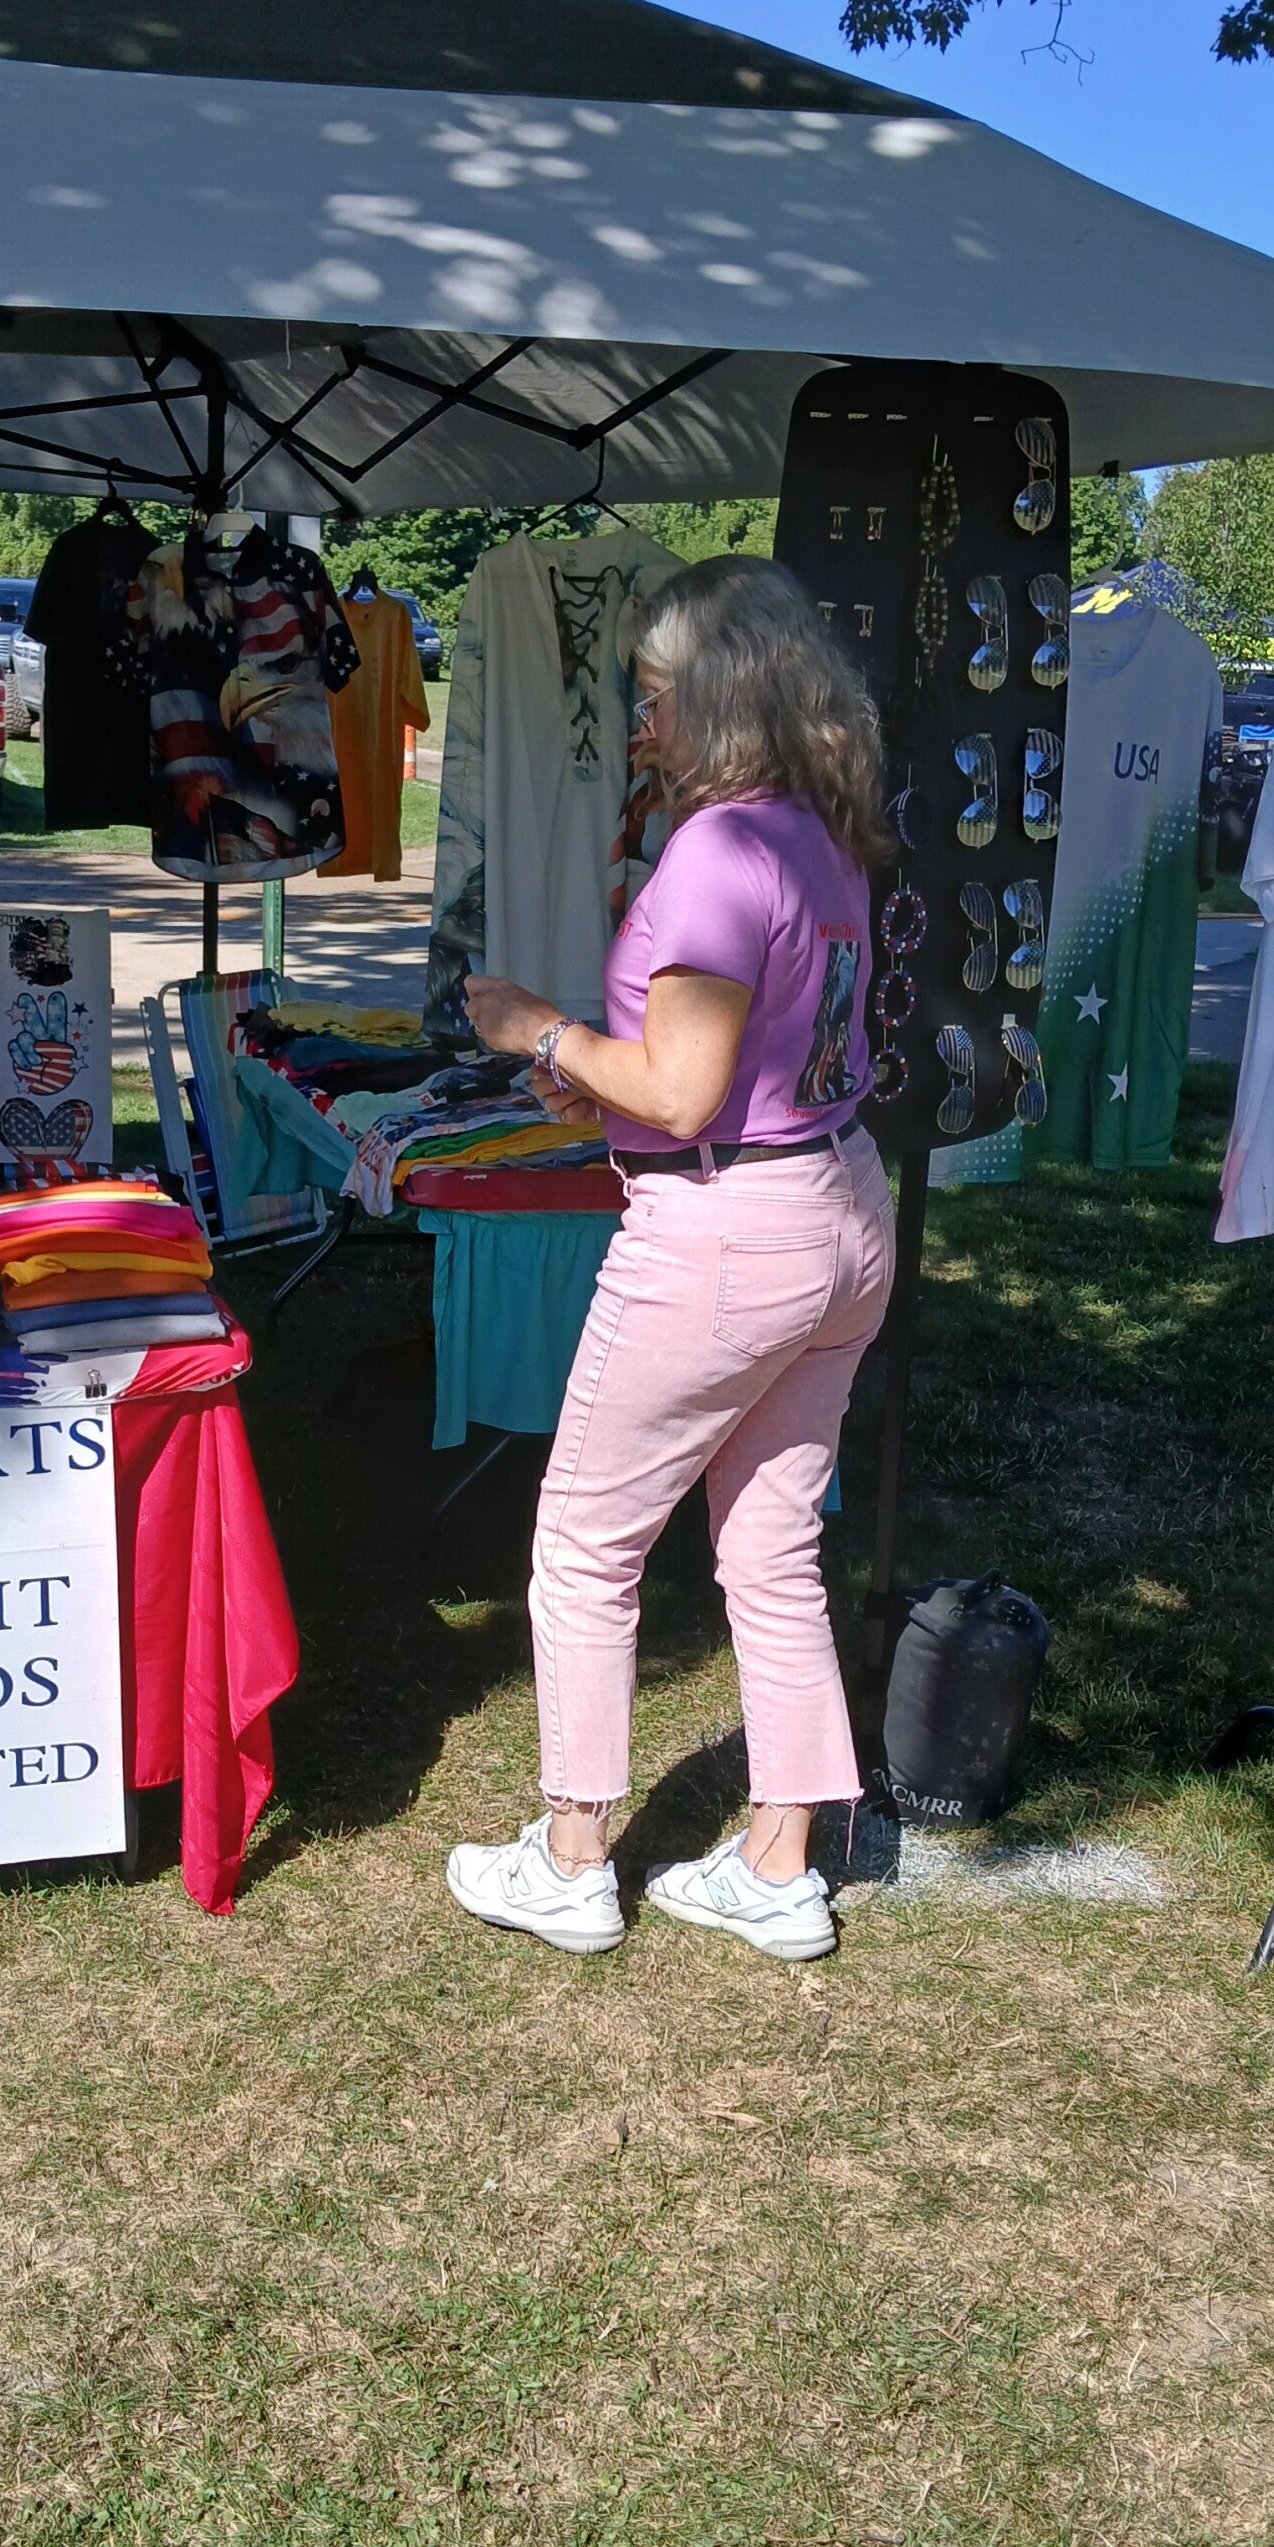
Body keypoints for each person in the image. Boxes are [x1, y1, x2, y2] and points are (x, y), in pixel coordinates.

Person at [445, 555, 896, 1963]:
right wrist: (606, 1081)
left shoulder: (719, 851)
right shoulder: (822, 832)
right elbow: (742, 1066)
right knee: (770, 1547)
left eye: (652, 697)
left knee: (585, 1540)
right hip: (836, 1205)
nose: (640, 725)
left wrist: (540, 1030)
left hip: (729, 1230)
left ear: (721, 695)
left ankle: (573, 1857)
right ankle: (779, 1864)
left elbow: (689, 1093)